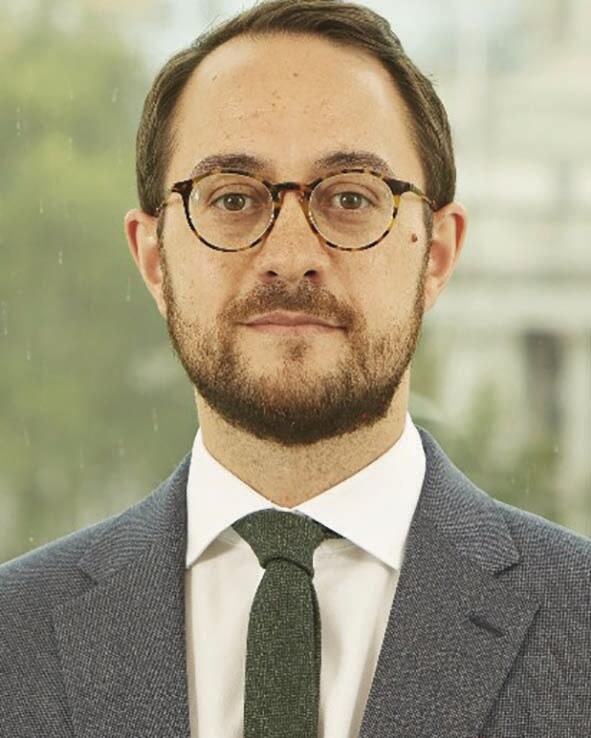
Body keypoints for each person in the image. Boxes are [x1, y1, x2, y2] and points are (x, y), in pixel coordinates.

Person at [1, 0, 589, 735]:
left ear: (436, 253)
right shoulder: (12, 639)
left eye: (349, 197)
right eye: (232, 198)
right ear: (154, 260)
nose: (289, 254)